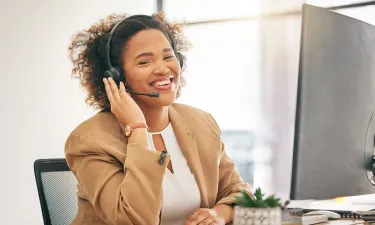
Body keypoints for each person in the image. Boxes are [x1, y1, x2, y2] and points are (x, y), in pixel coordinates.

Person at [65, 12, 252, 225]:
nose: (163, 68)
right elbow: (134, 220)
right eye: (144, 62)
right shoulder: (89, 140)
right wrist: (137, 129)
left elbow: (239, 193)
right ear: (117, 76)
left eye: (168, 56)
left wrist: (220, 213)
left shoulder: (200, 122)